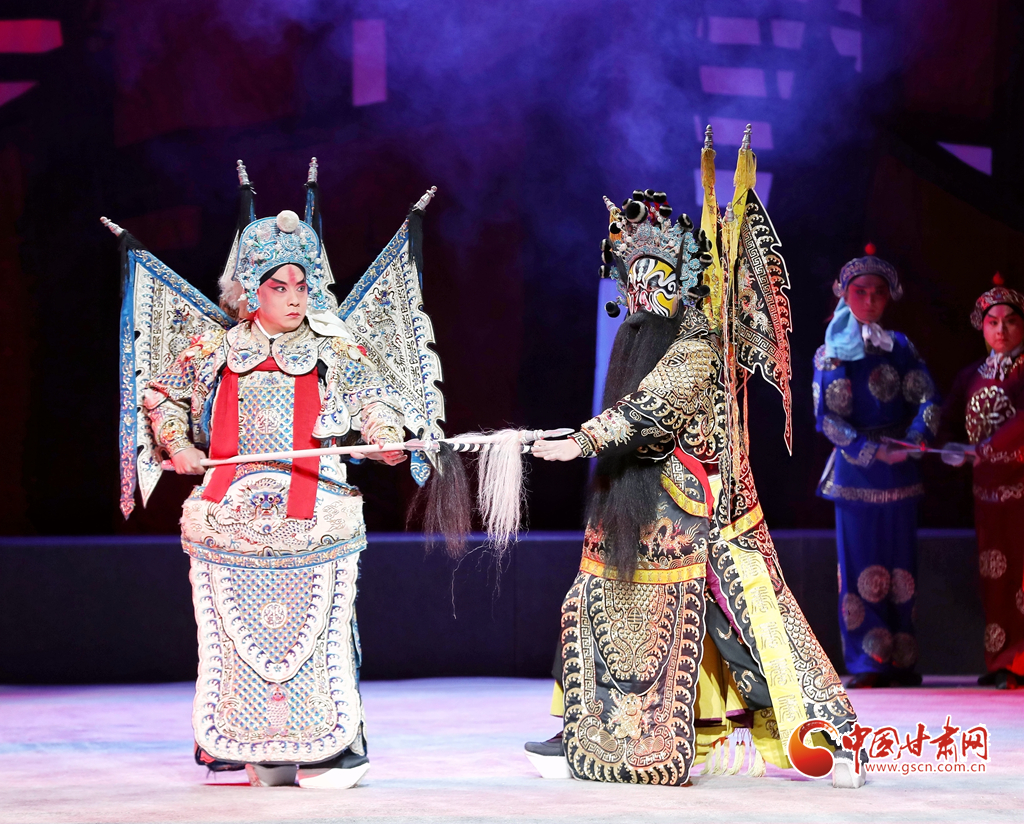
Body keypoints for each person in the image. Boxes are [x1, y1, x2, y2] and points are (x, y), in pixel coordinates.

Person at [529, 188, 859, 787]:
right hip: (641, 504)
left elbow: (656, 405)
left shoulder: (699, 342)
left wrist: (585, 439)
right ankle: (581, 729)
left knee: (747, 628)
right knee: (590, 601)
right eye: (634, 283)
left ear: (680, 282)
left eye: (656, 279)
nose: (644, 295)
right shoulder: (638, 342)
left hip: (707, 511)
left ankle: (831, 739)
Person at [813, 250, 940, 688]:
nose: (869, 300)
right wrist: (871, 450)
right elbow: (827, 418)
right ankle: (869, 661)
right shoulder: (831, 351)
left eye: (878, 293)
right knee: (860, 570)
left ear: (889, 298)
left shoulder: (900, 346)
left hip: (901, 470)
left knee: (903, 571)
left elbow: (927, 397)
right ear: (845, 295)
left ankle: (902, 658)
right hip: (857, 474)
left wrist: (916, 438)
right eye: (860, 292)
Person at [940, 281, 1024, 690]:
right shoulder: (971, 375)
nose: (1001, 330)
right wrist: (945, 446)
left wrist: (985, 448)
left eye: (1010, 321)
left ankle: (1019, 662)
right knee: (995, 577)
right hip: (987, 495)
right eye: (993, 322)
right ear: (982, 327)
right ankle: (1002, 659)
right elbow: (948, 420)